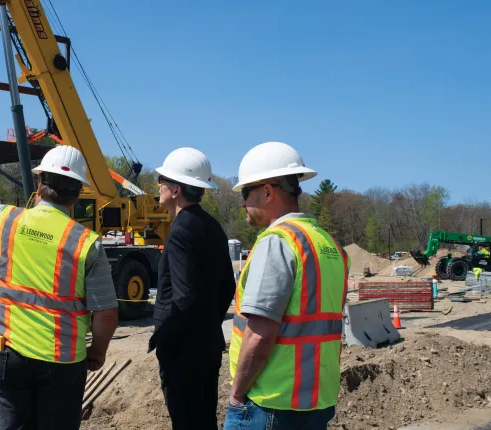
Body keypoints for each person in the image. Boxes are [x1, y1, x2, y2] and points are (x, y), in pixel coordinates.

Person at [0, 145, 119, 430]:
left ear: (39, 186)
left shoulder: (5, 220)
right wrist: (98, 352)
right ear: (77, 194)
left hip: (9, 354)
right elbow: (107, 314)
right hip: (63, 363)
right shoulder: (87, 243)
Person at [224, 141, 350, 430]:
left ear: (268, 192)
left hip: (270, 403)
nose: (243, 203)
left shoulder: (278, 242)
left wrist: (237, 395)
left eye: (246, 193)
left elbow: (260, 334)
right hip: (318, 401)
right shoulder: (329, 245)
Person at [148, 147, 236, 429]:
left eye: (162, 180)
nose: (158, 185)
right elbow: (227, 287)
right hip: (208, 345)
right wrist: (210, 321)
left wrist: (163, 337)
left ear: (176, 189)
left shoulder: (182, 229)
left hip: (184, 352)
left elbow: (183, 298)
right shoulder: (212, 226)